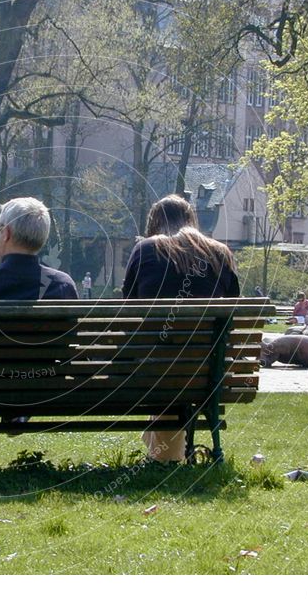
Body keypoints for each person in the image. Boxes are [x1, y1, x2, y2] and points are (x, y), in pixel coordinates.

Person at [0, 197, 78, 464]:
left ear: (6, 233)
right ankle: (16, 412)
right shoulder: (62, 285)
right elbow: (70, 343)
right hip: (40, 385)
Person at [122, 195, 239, 462]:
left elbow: (127, 306)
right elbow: (231, 313)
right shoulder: (220, 253)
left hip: (153, 366)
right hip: (206, 370)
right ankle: (164, 454)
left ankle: (165, 457)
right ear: (191, 220)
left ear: (155, 223)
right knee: (177, 364)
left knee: (162, 359)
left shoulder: (146, 250)